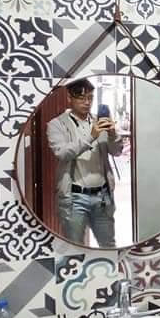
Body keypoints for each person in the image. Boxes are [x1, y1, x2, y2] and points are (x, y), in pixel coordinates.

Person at [46, 78, 123, 247]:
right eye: (81, 98)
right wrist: (91, 136)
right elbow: (62, 153)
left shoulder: (99, 121)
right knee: (75, 246)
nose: (87, 102)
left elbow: (117, 151)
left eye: (90, 98)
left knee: (108, 244)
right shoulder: (57, 124)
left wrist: (113, 134)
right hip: (75, 198)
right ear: (69, 98)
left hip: (103, 196)